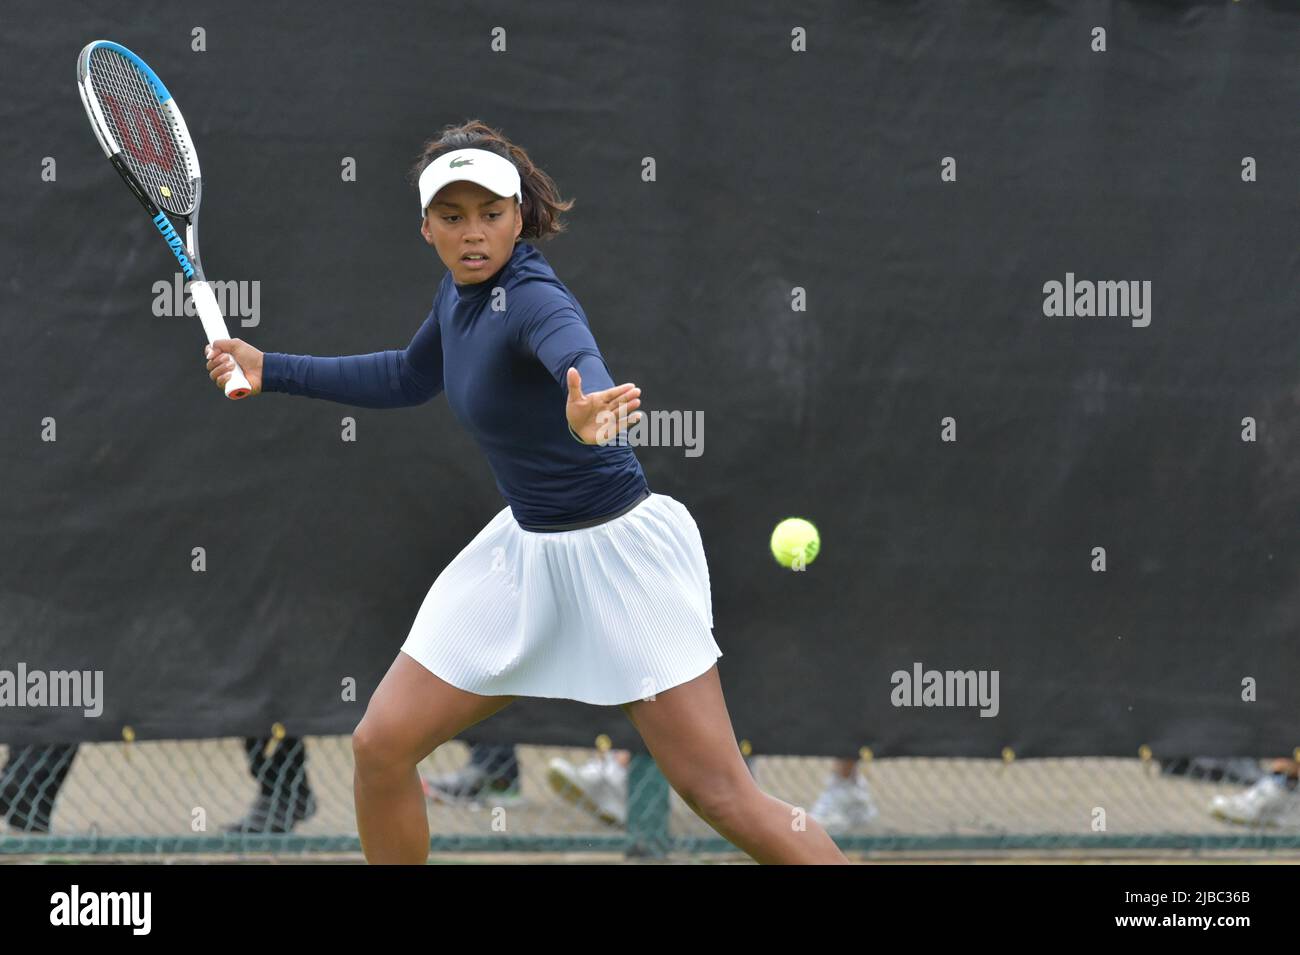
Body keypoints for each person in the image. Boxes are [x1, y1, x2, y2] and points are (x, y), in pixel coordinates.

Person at [204, 119, 848, 864]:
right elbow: (408, 376)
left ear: (519, 215)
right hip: (524, 554)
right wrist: (270, 365)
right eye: (453, 217)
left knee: (721, 796)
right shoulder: (457, 295)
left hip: (618, 560)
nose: (473, 233)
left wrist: (590, 412)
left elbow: (578, 358)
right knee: (381, 744)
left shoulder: (535, 297)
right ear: (427, 228)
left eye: (491, 214)